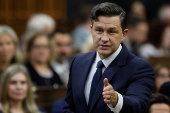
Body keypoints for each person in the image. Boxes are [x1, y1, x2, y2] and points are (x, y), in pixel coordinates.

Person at [63, 2, 155, 113]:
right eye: (99, 30)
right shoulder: (78, 61)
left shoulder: (140, 68)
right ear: (91, 31)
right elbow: (69, 107)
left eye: (111, 32)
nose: (104, 38)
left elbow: (138, 105)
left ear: (123, 34)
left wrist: (117, 100)